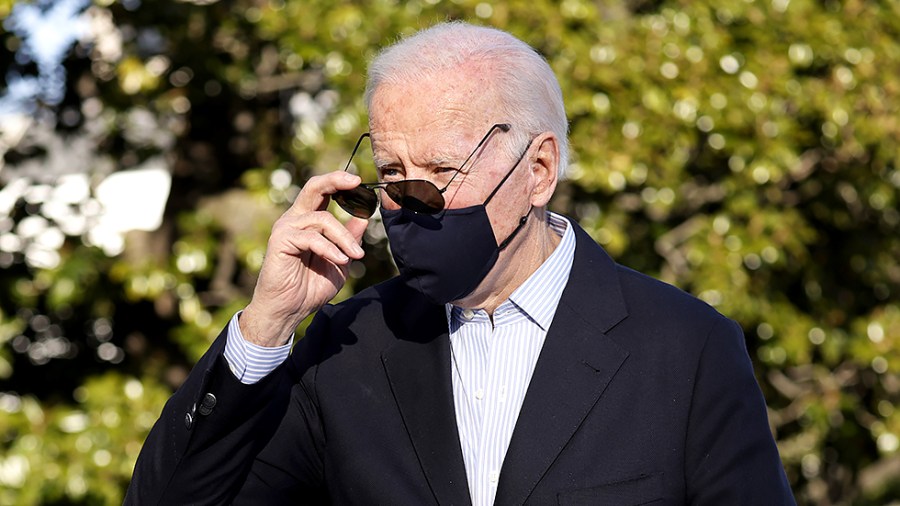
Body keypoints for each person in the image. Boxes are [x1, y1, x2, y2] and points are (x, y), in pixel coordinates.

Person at [126, 21, 795, 505]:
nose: (408, 200)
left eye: (442, 170)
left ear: (537, 170)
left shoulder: (685, 347)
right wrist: (266, 326)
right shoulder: (346, 347)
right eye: (391, 173)